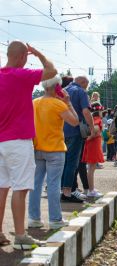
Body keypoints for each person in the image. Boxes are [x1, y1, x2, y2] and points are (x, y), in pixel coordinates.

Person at [0, 41, 56, 249]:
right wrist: (39, 53)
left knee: (2, 187)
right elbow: (51, 71)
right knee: (21, 188)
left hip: (1, 141)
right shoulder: (21, 75)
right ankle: (21, 236)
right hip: (18, 141)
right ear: (23, 56)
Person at [29, 76, 78, 230]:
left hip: (37, 148)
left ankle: (34, 218)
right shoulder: (59, 104)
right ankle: (55, 219)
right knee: (53, 184)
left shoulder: (34, 103)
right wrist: (68, 102)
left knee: (36, 184)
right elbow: (75, 121)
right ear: (57, 87)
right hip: (55, 149)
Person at [61, 76, 94, 203]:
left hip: (61, 130)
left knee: (63, 161)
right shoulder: (81, 91)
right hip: (75, 130)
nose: (87, 86)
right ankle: (68, 192)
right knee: (72, 162)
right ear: (84, 82)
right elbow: (86, 111)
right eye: (87, 84)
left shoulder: (63, 90)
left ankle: (63, 189)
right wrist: (91, 127)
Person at [81, 103, 104, 198]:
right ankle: (91, 190)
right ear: (99, 111)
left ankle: (91, 188)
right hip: (94, 145)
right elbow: (94, 132)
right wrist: (90, 137)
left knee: (90, 168)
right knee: (91, 168)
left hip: (92, 144)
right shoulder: (97, 120)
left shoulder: (92, 119)